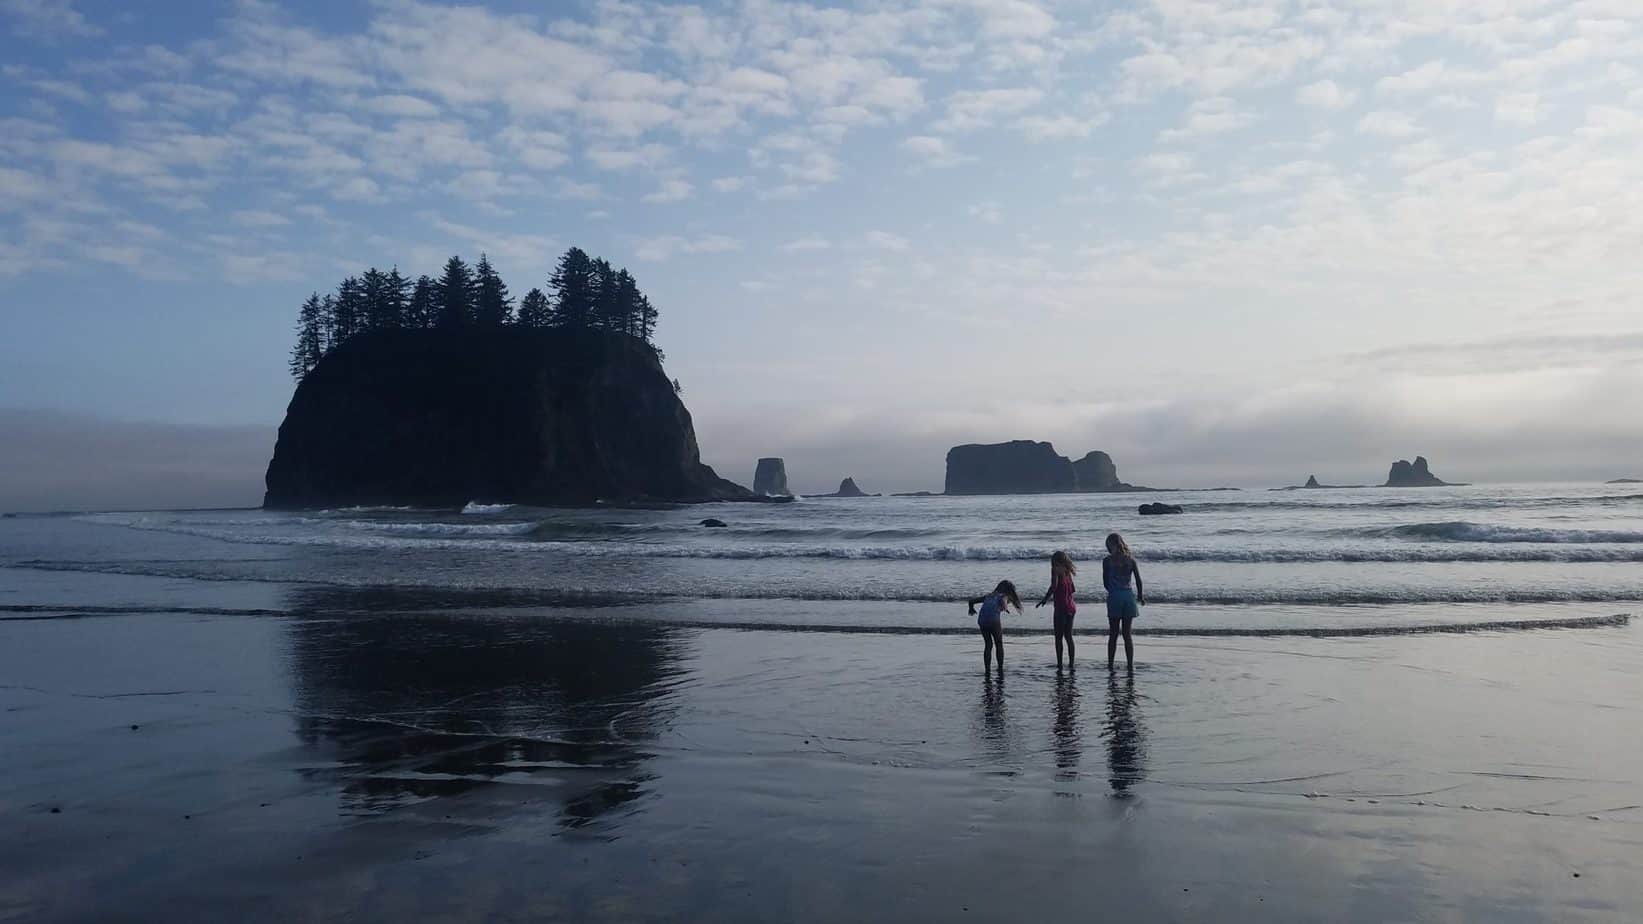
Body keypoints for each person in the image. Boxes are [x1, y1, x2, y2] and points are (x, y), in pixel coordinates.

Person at [1103, 533, 1145, 671]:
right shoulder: (1131, 560)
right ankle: (1130, 664)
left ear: (1110, 545)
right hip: (1128, 597)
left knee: (1113, 634)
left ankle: (1110, 664)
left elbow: (1105, 583)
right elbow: (1138, 580)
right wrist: (1140, 595)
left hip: (1115, 597)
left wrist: (1113, 591)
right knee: (1127, 635)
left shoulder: (1107, 561)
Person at [967, 580, 1022, 672]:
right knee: (999, 643)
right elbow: (1004, 602)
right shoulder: (1004, 596)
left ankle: (987, 669)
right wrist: (1004, 607)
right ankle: (1000, 668)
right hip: (993, 620)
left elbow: (971, 601)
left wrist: (971, 609)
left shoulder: (988, 595)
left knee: (988, 644)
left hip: (982, 620)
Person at [1035, 550, 1078, 669]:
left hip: (1060, 607)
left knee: (1058, 638)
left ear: (1056, 562)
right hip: (1071, 607)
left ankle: (1060, 664)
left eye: (1053, 563)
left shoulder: (1055, 570)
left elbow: (1053, 586)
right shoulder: (1068, 571)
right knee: (1068, 637)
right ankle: (1071, 663)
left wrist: (1044, 599)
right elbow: (1072, 590)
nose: (1052, 565)